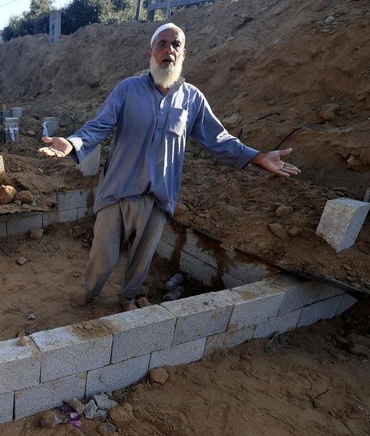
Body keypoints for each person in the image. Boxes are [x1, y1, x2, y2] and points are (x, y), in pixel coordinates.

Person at [38, 23, 300, 311]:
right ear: (150, 52)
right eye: (162, 44)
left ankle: (128, 296)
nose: (168, 50)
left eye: (175, 45)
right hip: (119, 190)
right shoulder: (127, 90)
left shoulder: (193, 99)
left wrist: (257, 156)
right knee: (103, 253)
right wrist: (73, 143)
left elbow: (218, 139)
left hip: (158, 195)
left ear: (183, 53)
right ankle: (90, 292)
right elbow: (100, 125)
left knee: (143, 256)